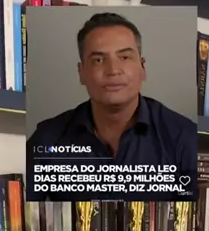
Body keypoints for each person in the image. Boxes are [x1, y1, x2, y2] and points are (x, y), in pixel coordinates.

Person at [27, 11, 197, 171]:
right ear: (81, 72)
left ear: (142, 67)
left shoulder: (184, 138)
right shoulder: (47, 140)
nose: (113, 70)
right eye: (99, 60)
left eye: (124, 57)